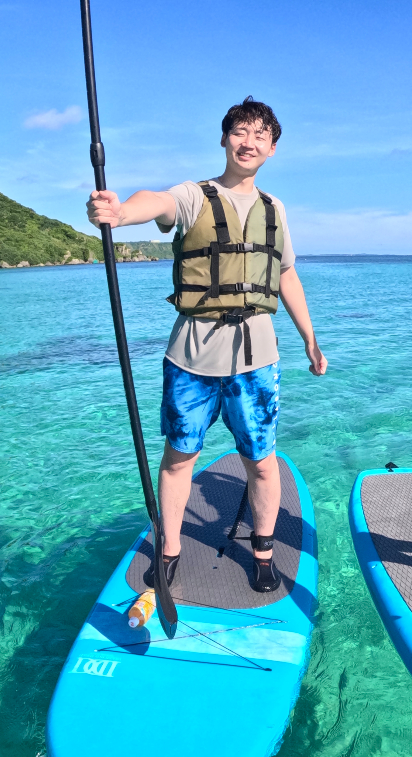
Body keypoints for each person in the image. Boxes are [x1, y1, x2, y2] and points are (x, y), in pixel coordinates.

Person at [86, 97, 327, 594]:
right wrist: (119, 212)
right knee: (179, 457)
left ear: (273, 149)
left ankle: (263, 549)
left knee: (261, 460)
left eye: (261, 135)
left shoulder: (275, 209)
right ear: (224, 139)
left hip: (257, 359)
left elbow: (285, 275)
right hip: (191, 358)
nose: (249, 141)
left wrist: (310, 338)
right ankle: (169, 549)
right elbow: (154, 202)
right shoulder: (194, 195)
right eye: (240, 131)